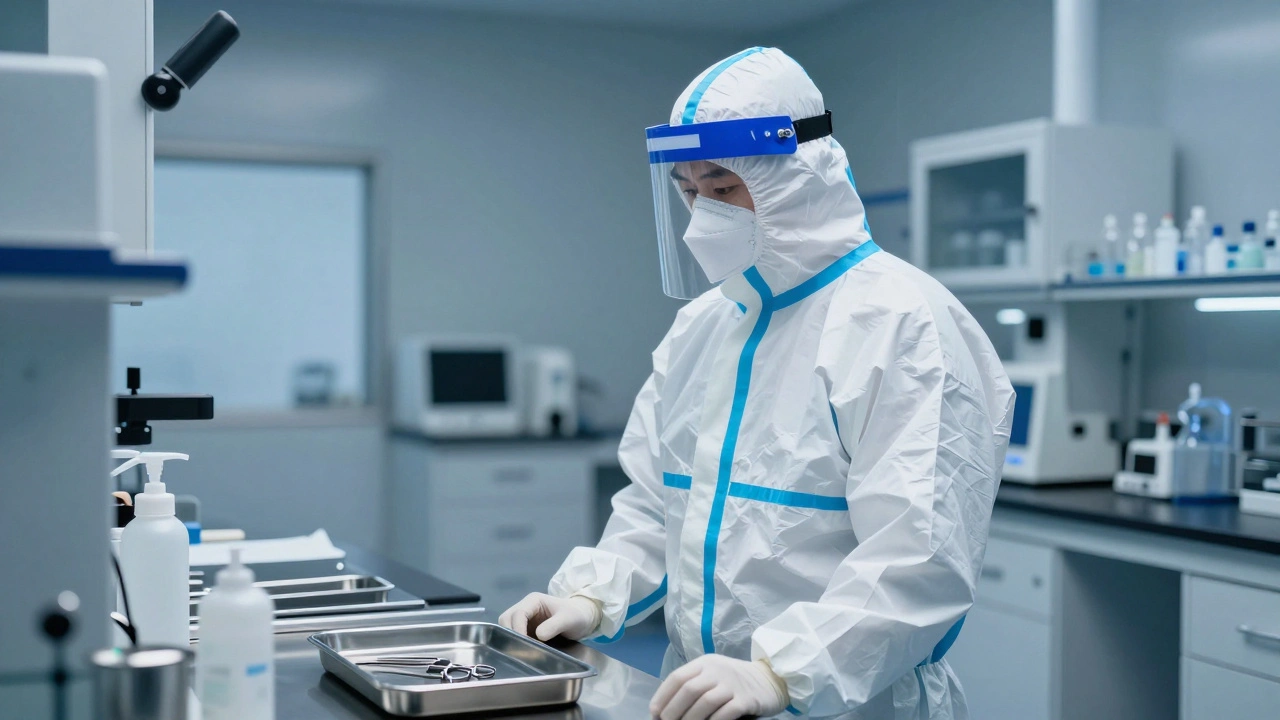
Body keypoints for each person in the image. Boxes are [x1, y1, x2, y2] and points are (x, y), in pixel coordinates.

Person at [500, 46, 1014, 720]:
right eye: (689, 192)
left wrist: (781, 673)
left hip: (852, 705)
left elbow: (918, 561)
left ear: (798, 178)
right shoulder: (702, 328)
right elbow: (658, 507)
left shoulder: (903, 325)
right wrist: (589, 597)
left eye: (722, 190)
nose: (703, 217)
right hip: (699, 698)